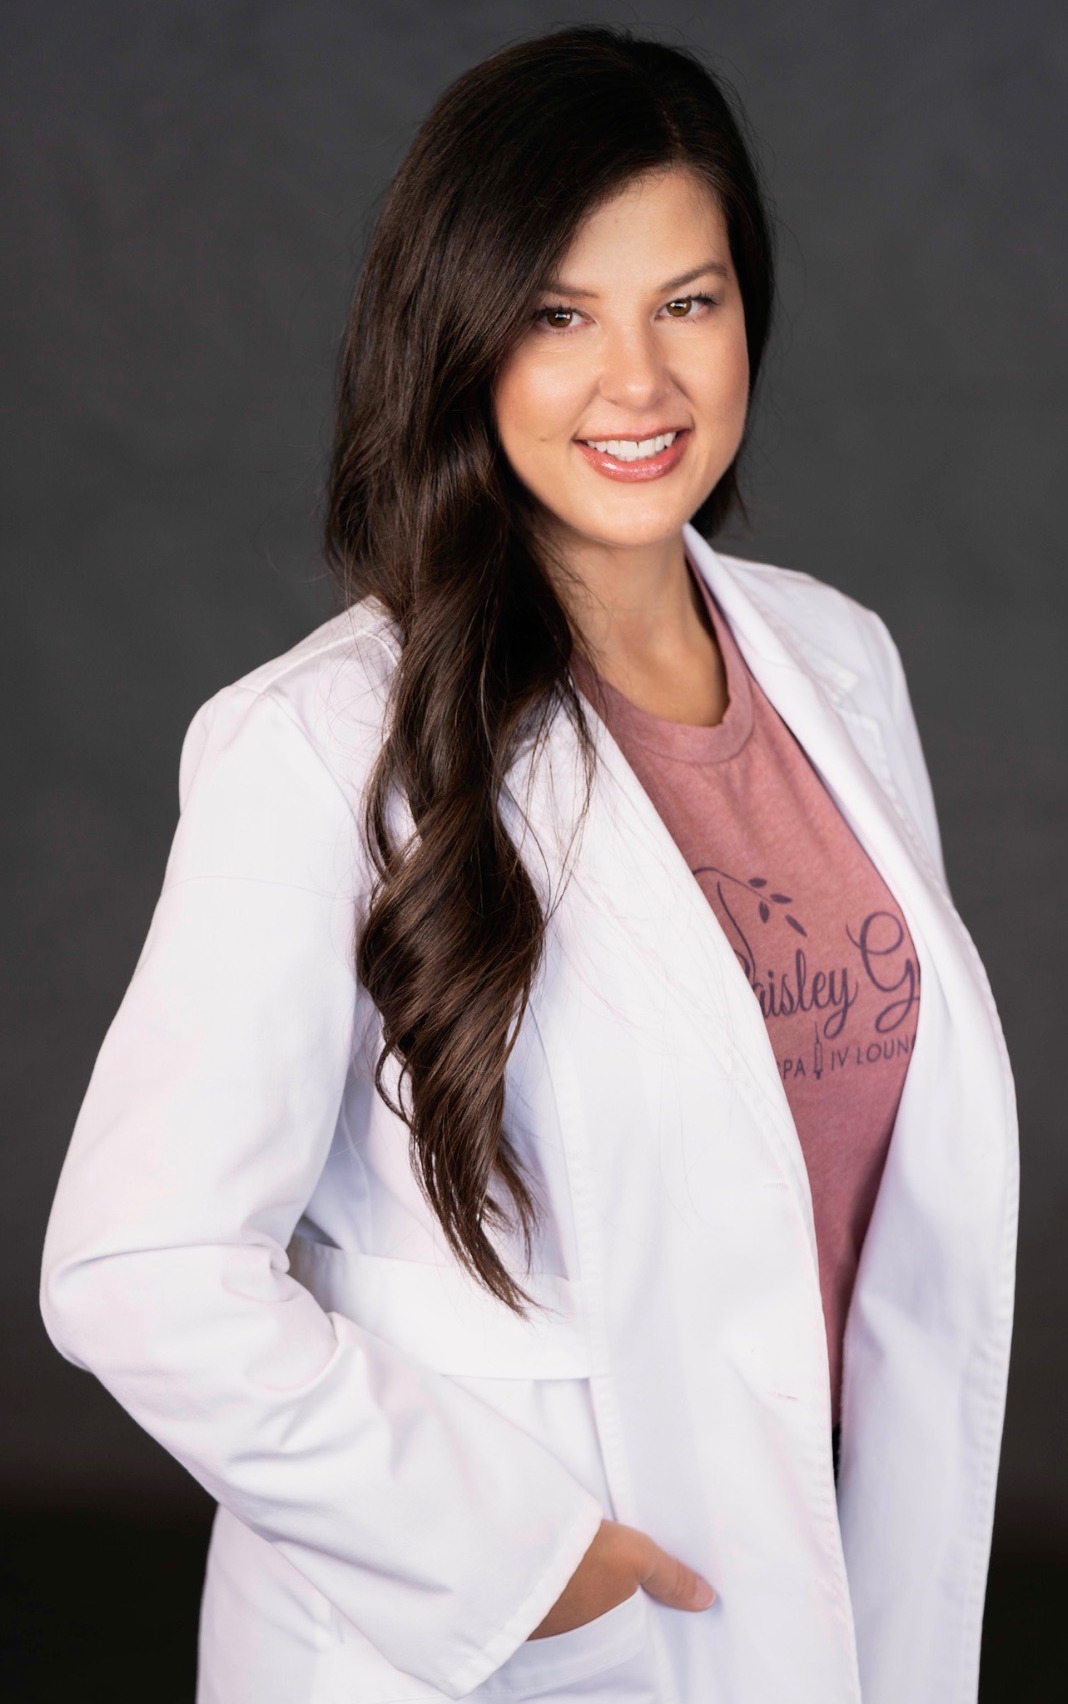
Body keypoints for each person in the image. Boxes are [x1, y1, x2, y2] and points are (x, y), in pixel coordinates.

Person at [39, 25, 1018, 1704]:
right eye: (561, 314)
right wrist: (522, 1565)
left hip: (827, 1584)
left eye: (686, 303)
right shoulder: (320, 746)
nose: (637, 385)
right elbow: (139, 1272)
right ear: (464, 336)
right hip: (502, 1637)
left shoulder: (837, 661)